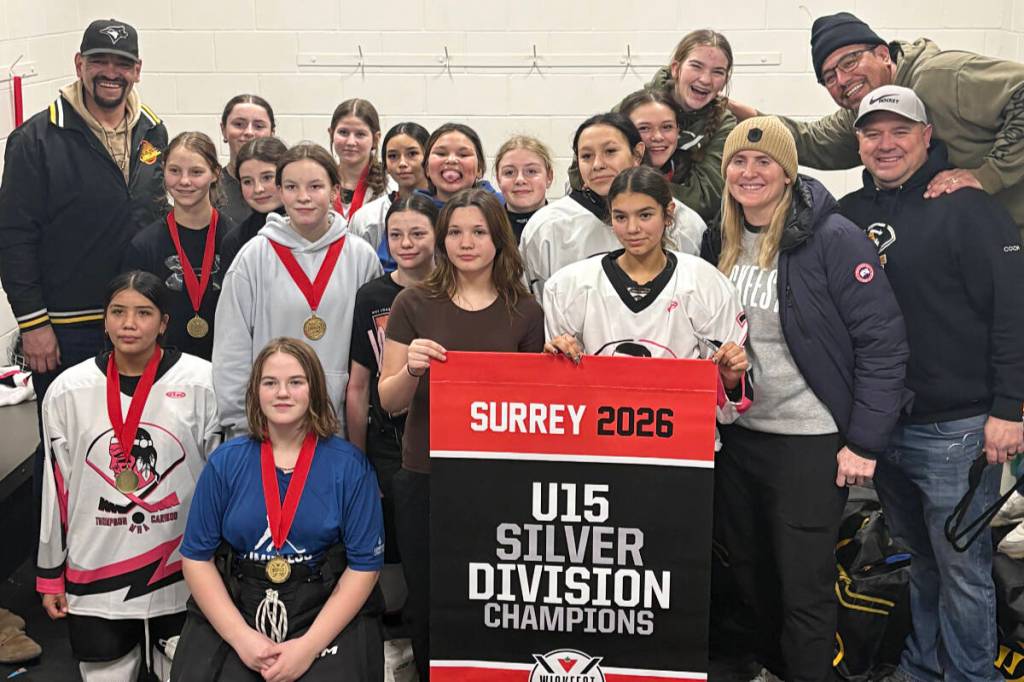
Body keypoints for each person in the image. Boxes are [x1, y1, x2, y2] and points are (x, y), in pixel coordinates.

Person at [703, 117, 909, 682]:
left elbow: (883, 342)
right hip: (737, 436)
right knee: (749, 574)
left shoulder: (831, 237)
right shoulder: (716, 238)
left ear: (788, 171)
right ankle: (774, 669)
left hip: (807, 441)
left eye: (764, 161)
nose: (750, 173)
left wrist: (863, 441)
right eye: (739, 163)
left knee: (803, 584)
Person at [837, 86, 1024, 682]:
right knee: (920, 562)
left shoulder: (968, 206)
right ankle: (922, 667)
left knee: (964, 573)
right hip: (884, 428)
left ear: (926, 137)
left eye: (900, 131)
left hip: (959, 428)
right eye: (873, 133)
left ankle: (972, 676)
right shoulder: (848, 214)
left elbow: (1012, 310)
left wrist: (1010, 407)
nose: (885, 144)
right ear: (859, 142)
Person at [0, 18, 169, 529]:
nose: (110, 73)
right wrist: (33, 324)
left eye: (121, 64)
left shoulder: (153, 130)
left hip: (137, 322)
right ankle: (56, 565)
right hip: (65, 330)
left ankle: (126, 554)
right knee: (66, 450)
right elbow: (14, 237)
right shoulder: (35, 138)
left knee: (136, 444)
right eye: (100, 61)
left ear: (137, 70)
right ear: (79, 65)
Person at [378, 188, 544, 680]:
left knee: (494, 601)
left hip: (499, 480)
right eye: (454, 232)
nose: (465, 242)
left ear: (499, 238)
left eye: (478, 232)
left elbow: (534, 407)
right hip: (425, 473)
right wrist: (411, 369)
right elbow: (389, 401)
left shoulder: (526, 310)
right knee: (430, 602)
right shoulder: (412, 302)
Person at [37, 271, 221, 681]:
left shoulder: (202, 382)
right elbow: (57, 491)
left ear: (164, 323)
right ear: (104, 320)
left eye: (143, 312)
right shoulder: (69, 390)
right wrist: (51, 574)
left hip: (181, 573)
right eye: (117, 312)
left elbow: (221, 485)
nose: (129, 324)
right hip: (97, 574)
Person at [173, 337, 384, 681]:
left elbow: (365, 568)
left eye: (295, 382)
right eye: (270, 383)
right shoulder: (226, 462)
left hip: (321, 604)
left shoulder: (349, 466)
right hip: (241, 602)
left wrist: (307, 648)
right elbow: (196, 558)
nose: (282, 392)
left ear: (314, 390)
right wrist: (242, 639)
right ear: (256, 391)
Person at [728, 12, 1024, 234]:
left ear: (883, 54)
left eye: (850, 62)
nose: (842, 80)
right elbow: (809, 141)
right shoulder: (862, 109)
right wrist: (732, 108)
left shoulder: (941, 77)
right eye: (829, 77)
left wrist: (988, 174)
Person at [543, 166, 751, 428]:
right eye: (620, 217)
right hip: (598, 444)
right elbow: (561, 398)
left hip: (681, 448)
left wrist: (730, 379)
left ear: (668, 214)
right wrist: (555, 360)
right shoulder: (569, 286)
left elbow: (726, 412)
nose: (632, 228)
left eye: (645, 215)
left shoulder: (705, 284)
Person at [213, 143, 381, 440]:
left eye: (315, 186)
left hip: (338, 424)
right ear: (279, 192)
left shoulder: (361, 257)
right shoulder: (253, 257)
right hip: (268, 427)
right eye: (291, 187)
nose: (303, 197)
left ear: (334, 191)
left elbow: (371, 353)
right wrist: (241, 422)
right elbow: (232, 348)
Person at [521, 112, 706, 298]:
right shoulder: (547, 226)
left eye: (610, 152)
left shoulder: (684, 222)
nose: (597, 164)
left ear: (638, 153)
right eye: (586, 156)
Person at [123, 132, 235, 360]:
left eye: (196, 172)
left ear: (215, 173)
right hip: (164, 370)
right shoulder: (144, 246)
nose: (184, 181)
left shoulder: (236, 239)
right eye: (174, 171)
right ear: (163, 172)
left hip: (226, 366)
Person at [348, 122, 431, 272]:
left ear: (429, 158)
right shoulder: (366, 218)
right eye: (393, 156)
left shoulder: (447, 209)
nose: (402, 163)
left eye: (412, 154)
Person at [221, 136, 289, 269]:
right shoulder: (235, 241)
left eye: (267, 177)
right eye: (247, 181)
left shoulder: (312, 228)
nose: (258, 189)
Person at [329, 99, 390, 223]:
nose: (351, 142)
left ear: (375, 139)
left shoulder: (390, 187)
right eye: (343, 132)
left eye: (360, 134)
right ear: (331, 134)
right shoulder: (319, 182)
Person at [218, 94, 276, 225]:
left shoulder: (287, 185)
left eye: (259, 126)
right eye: (239, 124)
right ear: (223, 130)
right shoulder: (211, 188)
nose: (249, 132)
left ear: (272, 133)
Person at [417, 122, 502, 209]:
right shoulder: (411, 209)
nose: (451, 160)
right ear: (427, 168)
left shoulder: (502, 207)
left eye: (463, 155)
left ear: (479, 169)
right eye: (441, 154)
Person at [494, 135, 555, 244]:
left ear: (549, 177)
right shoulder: (488, 229)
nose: (520, 180)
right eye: (509, 172)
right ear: (498, 179)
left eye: (531, 171)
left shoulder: (565, 228)